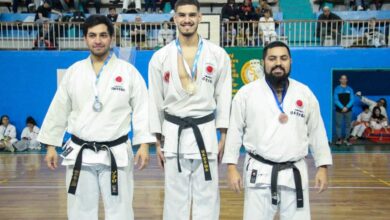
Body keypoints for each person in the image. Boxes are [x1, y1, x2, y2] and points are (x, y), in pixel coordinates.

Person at [37, 15, 155, 220]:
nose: (97, 40)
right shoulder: (74, 72)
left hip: (116, 152)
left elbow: (142, 109)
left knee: (120, 211)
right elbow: (59, 109)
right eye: (92, 35)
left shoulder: (128, 72)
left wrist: (144, 144)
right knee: (80, 212)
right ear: (85, 38)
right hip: (80, 153)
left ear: (111, 38)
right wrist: (50, 145)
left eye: (103, 35)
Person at [223, 41, 332, 220]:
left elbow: (317, 131)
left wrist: (323, 166)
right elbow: (235, 131)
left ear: (291, 61)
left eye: (283, 58)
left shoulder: (304, 93)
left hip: (294, 172)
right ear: (263, 62)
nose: (278, 63)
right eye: (272, 58)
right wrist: (231, 167)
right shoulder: (246, 94)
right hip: (259, 172)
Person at [148, 0, 232, 219]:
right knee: (175, 198)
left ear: (200, 17)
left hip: (205, 132)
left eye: (192, 15)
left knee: (208, 196)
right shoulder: (160, 57)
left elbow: (224, 97)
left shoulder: (217, 54)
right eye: (182, 15)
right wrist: (157, 141)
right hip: (173, 133)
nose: (187, 20)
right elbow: (155, 100)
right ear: (174, 18)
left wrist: (224, 135)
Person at [334, 74, 354, 145]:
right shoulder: (337, 89)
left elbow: (352, 99)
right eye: (342, 78)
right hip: (339, 110)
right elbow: (336, 100)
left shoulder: (350, 89)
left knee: (348, 125)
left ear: (347, 80)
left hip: (348, 111)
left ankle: (347, 139)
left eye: (345, 79)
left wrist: (347, 107)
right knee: (338, 125)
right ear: (340, 80)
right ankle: (339, 139)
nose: (344, 80)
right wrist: (342, 107)